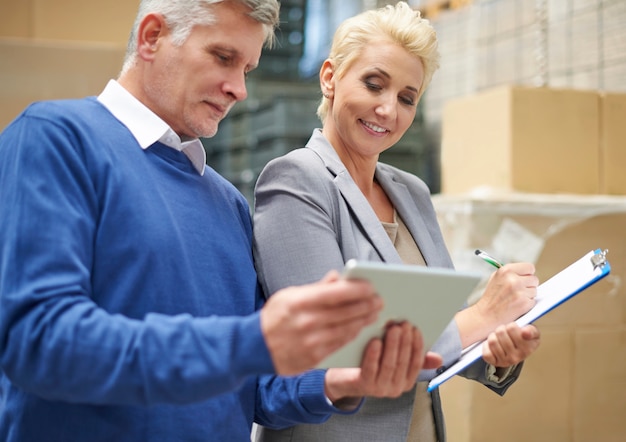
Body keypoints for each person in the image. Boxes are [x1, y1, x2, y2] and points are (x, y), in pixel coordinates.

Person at [0, 1, 442, 441]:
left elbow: (258, 390)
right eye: (223, 57)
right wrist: (252, 340)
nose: (239, 89)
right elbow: (39, 342)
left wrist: (336, 384)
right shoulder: (57, 140)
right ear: (152, 36)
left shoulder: (226, 202)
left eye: (247, 68)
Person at [252, 2, 542, 441]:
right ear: (329, 77)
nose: (388, 110)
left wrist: (494, 353)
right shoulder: (297, 181)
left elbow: (446, 325)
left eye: (407, 97)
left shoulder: (412, 193)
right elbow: (333, 347)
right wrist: (483, 315)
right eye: (374, 84)